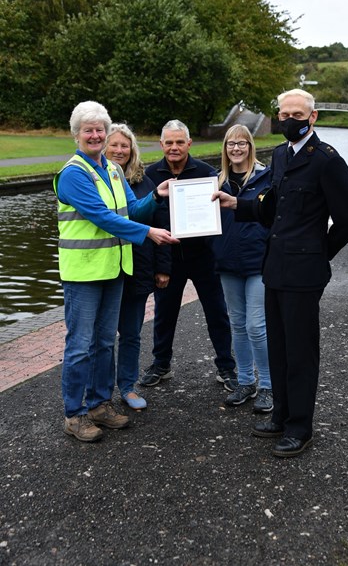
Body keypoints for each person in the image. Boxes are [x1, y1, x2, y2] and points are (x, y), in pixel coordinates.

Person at [213, 89, 348, 458]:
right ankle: (280, 414)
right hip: (274, 266)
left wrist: (319, 252)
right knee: (277, 347)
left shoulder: (327, 161)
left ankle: (300, 427)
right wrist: (238, 205)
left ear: (312, 118)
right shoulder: (279, 155)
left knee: (300, 351)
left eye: (298, 114)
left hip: (304, 271)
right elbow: (273, 207)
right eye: (284, 113)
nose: (289, 119)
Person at [54, 101, 178, 442]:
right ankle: (74, 414)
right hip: (83, 273)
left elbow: (132, 209)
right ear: (76, 135)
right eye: (88, 130)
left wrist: (155, 194)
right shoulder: (73, 173)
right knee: (80, 345)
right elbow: (102, 216)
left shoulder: (112, 169)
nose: (95, 135)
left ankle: (98, 405)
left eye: (100, 129)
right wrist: (148, 233)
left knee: (105, 342)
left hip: (112, 269)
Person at [140, 119, 237, 391]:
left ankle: (226, 367)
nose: (174, 147)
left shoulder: (208, 173)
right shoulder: (150, 175)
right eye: (169, 142)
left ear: (189, 144)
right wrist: (158, 264)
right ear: (161, 145)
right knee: (164, 312)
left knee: (217, 311)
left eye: (179, 142)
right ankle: (161, 364)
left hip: (203, 255)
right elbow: (145, 217)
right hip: (167, 256)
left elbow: (223, 213)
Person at [105, 123, 170, 410]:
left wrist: (163, 267)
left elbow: (161, 224)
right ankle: (102, 393)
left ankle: (128, 387)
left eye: (125, 145)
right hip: (106, 269)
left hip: (139, 268)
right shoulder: (94, 181)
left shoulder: (145, 182)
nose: (120, 150)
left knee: (131, 333)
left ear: (132, 149)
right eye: (114, 145)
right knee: (104, 337)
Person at [212, 124, 273, 413]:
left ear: (251, 146)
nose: (236, 149)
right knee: (237, 323)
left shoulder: (267, 177)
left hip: (258, 260)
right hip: (227, 262)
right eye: (230, 144)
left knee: (256, 325)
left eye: (242, 143)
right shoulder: (215, 182)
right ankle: (246, 381)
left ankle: (268, 386)